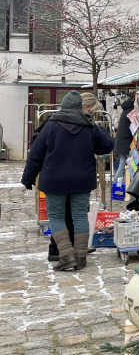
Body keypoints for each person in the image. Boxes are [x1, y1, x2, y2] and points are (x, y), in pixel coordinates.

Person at [22, 91, 114, 271]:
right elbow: (107, 146)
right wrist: (94, 124)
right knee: (80, 216)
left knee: (56, 216)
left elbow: (36, 154)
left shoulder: (51, 125)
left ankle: (66, 255)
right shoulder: (89, 126)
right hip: (81, 180)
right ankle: (80, 258)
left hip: (54, 181)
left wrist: (28, 178)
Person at [113, 95, 139, 181]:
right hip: (127, 142)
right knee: (134, 160)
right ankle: (131, 181)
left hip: (122, 141)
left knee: (123, 163)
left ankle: (118, 183)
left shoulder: (128, 109)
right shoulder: (132, 110)